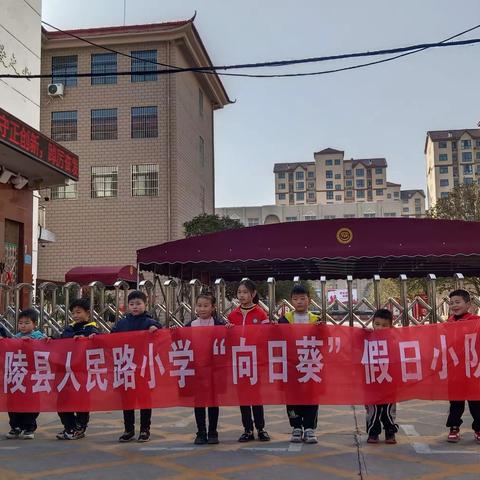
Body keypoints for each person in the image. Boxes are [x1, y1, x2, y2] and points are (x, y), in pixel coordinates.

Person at [111, 290, 161, 443]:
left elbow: (160, 331)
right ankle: (129, 429)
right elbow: (111, 337)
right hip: (126, 367)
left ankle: (145, 429)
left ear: (146, 305)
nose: (135, 307)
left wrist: (155, 329)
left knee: (144, 399)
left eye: (138, 304)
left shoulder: (149, 322)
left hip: (143, 367)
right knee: (127, 399)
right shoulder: (122, 323)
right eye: (132, 304)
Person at [228, 279, 271, 442]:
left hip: (256, 360)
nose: (242, 295)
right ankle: (247, 429)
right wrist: (228, 332)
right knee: (243, 395)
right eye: (239, 292)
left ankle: (260, 428)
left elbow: (267, 336)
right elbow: (228, 339)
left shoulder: (260, 313)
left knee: (256, 395)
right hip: (239, 360)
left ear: (253, 294)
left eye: (245, 292)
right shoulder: (232, 315)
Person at [278, 284, 321, 444]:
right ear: (291, 301)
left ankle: (309, 428)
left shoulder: (316, 320)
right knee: (292, 396)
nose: (299, 302)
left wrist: (320, 330)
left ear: (309, 300)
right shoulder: (284, 320)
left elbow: (324, 341)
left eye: (302, 299)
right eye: (295, 299)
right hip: (291, 366)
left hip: (310, 364)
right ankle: (296, 427)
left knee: (311, 396)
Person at [184, 293, 226, 445]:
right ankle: (201, 432)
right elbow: (181, 343)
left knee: (214, 402)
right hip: (197, 371)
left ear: (213, 308)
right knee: (199, 402)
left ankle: (213, 431)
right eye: (199, 305)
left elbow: (228, 342)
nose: (202, 309)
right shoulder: (190, 326)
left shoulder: (220, 325)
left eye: (206, 306)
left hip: (214, 371)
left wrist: (229, 330)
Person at [57, 298, 99, 440]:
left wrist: (88, 338)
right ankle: (69, 426)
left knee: (81, 400)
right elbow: (61, 339)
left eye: (78, 312)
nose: (75, 315)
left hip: (83, 371)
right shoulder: (69, 329)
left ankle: (80, 427)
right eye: (73, 313)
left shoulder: (92, 329)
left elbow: (99, 342)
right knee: (62, 401)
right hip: (67, 371)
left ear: (88, 313)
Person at [445, 289, 480, 443]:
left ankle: (478, 428)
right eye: (451, 303)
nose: (454, 305)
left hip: (473, 370)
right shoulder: (448, 324)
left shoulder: (476, 321)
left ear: (468, 304)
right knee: (455, 402)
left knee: (476, 401)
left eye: (457, 302)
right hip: (455, 371)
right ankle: (454, 427)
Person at [6, 309, 45, 440]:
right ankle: (15, 426)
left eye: (27, 323)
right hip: (17, 375)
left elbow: (46, 350)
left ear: (34, 324)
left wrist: (33, 343)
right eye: (20, 323)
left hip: (32, 376)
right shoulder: (14, 338)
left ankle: (29, 427)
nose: (23, 325)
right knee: (13, 400)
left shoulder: (40, 337)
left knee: (31, 401)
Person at [365, 309, 399, 445]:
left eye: (384, 325)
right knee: (373, 409)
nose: (380, 328)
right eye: (377, 324)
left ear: (391, 326)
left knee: (388, 409)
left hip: (389, 381)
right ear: (372, 323)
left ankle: (390, 431)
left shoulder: (395, 339)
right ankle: (373, 432)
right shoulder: (367, 338)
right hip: (372, 381)